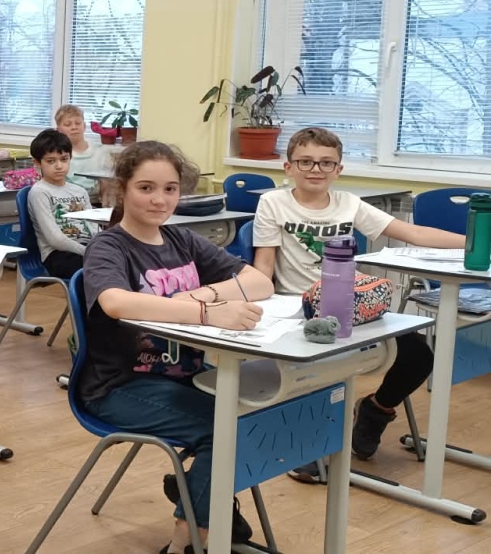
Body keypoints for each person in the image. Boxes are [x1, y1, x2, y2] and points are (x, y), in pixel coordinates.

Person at [80, 141, 274, 554]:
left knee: (261, 412)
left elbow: (260, 282)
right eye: (146, 188)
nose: (160, 199)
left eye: (170, 189)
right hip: (120, 387)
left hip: (187, 378)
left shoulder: (181, 240)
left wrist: (201, 295)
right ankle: (190, 540)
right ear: (122, 188)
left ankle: (198, 498)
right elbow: (115, 302)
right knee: (225, 429)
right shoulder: (109, 246)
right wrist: (206, 314)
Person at [251, 127, 465, 483]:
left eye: (326, 163)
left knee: (418, 356)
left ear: (339, 169)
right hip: (299, 310)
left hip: (352, 307)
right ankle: (308, 443)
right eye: (305, 162)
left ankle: (374, 411)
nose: (315, 169)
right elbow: (263, 267)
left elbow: (414, 233)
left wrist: (474, 244)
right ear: (288, 167)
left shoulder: (349, 204)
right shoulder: (273, 203)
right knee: (323, 370)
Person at [27, 128, 94, 279]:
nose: (59, 166)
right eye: (51, 161)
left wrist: (103, 247)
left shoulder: (80, 191)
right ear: (37, 163)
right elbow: (55, 239)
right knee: (99, 268)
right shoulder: (39, 192)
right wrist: (89, 252)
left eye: (64, 159)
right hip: (57, 254)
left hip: (85, 248)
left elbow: (92, 227)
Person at [55, 104, 111, 198]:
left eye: (78, 123)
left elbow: (107, 182)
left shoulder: (99, 151)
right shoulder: (57, 154)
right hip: (68, 200)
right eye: (68, 124)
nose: (74, 127)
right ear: (59, 130)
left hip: (96, 201)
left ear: (84, 126)